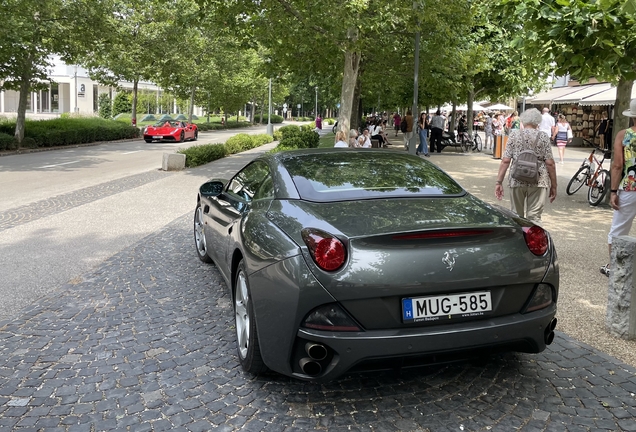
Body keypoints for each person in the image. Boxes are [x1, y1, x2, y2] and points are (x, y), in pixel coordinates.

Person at [494, 108, 557, 224]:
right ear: (538, 121)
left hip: (517, 178)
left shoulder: (514, 135)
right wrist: (554, 185)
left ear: (523, 120)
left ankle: (519, 240)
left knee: (516, 216)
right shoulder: (543, 137)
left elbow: (505, 161)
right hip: (538, 180)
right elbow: (550, 163)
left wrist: (499, 182)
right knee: (534, 218)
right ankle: (533, 240)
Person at [601, 99, 636, 277]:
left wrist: (613, 191)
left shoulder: (624, 135)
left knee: (618, 230)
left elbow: (617, 165)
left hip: (630, 187)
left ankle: (615, 268)